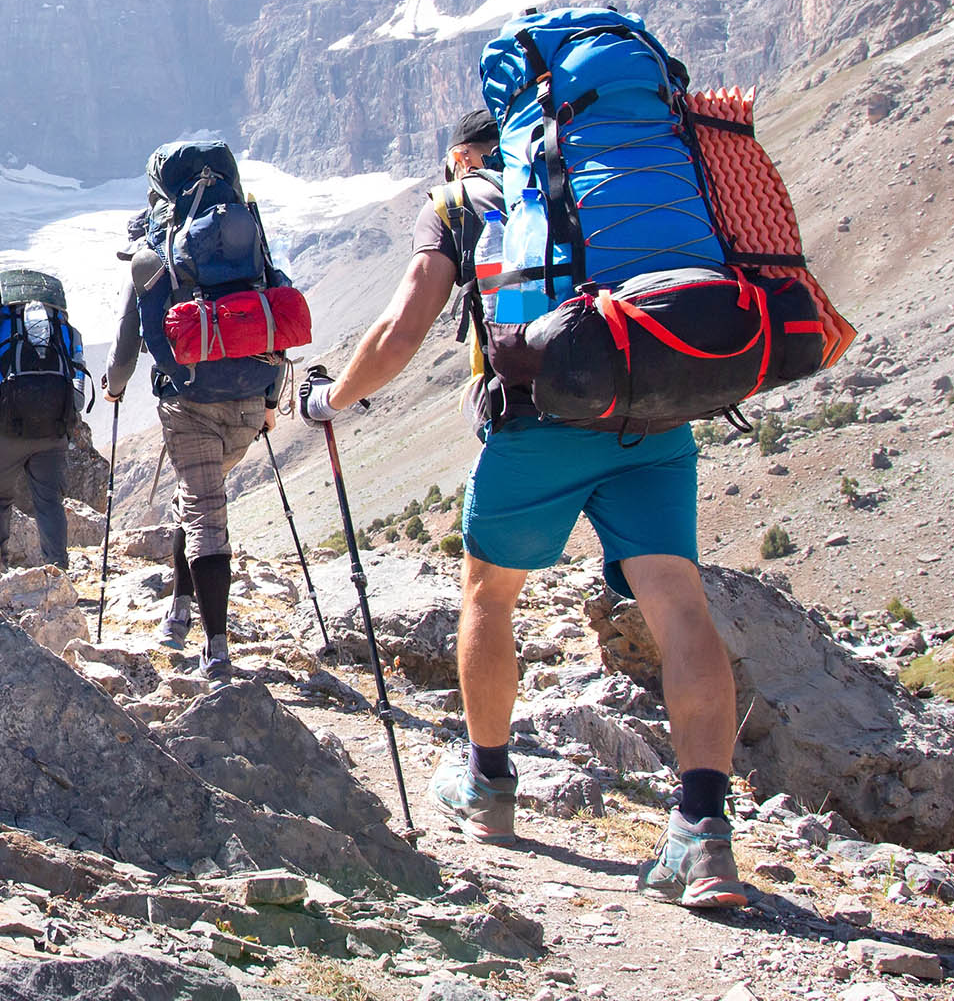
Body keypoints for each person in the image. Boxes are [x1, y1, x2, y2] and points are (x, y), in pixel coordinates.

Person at [299, 110, 746, 909]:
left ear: (467, 154)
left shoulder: (462, 203)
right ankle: (704, 836)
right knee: (681, 609)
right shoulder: (612, 181)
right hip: (656, 412)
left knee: (490, 595)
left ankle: (489, 784)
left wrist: (331, 398)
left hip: (541, 423)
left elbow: (403, 329)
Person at [104, 142, 284, 681]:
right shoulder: (247, 239)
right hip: (252, 395)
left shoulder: (154, 253)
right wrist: (272, 398)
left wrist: (114, 390)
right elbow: (270, 305)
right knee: (196, 498)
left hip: (189, 402)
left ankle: (217, 648)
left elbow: (126, 341)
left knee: (204, 508)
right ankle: (178, 610)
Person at [0, 275, 85, 569]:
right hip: (54, 432)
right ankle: (57, 568)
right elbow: (78, 393)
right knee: (49, 502)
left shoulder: (0, 328)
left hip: (7, 433)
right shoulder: (66, 332)